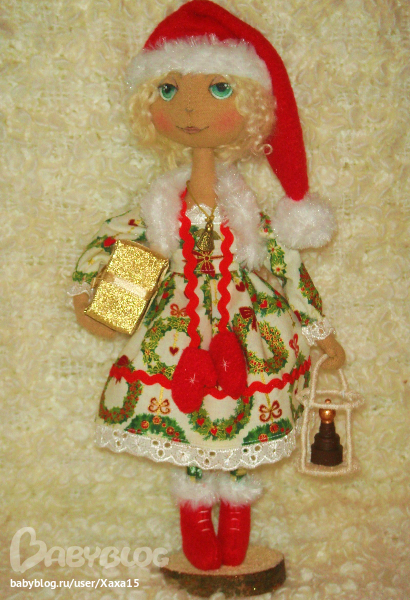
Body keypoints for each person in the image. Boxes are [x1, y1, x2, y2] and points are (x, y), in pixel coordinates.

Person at [69, 0, 345, 572]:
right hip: (173, 330)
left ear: (251, 109)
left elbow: (286, 265)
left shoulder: (248, 208)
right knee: (182, 416)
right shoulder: (156, 207)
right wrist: (93, 292)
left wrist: (319, 332)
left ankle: (236, 509)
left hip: (246, 330)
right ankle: (195, 513)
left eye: (218, 89)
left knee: (244, 414)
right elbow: (115, 241)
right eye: (170, 91)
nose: (191, 107)